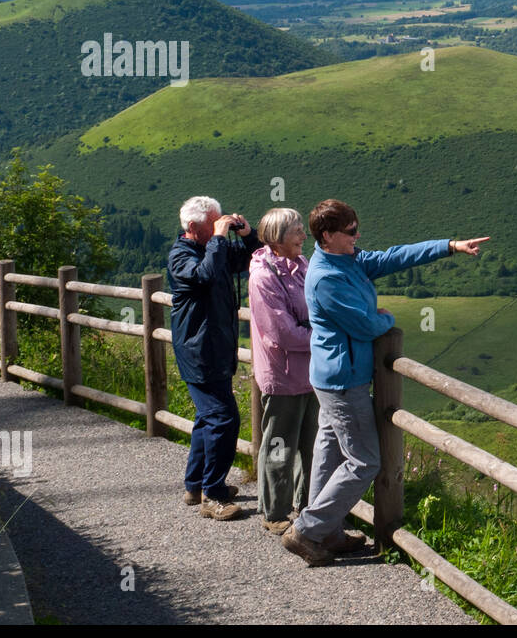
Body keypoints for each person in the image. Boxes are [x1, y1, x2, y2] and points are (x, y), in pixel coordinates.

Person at [281, 198, 489, 566]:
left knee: (329, 455)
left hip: (333, 377)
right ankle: (308, 531)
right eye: (351, 232)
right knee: (364, 461)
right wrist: (385, 319)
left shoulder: (346, 260)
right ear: (327, 235)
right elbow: (363, 325)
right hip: (345, 380)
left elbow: (394, 257)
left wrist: (449, 247)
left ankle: (325, 531)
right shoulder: (327, 277)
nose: (358, 236)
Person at [167, 195, 262, 521]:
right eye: (214, 222)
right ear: (193, 227)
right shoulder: (180, 257)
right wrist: (220, 238)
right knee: (224, 418)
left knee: (208, 418)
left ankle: (195, 486)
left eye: (221, 220)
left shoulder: (213, 249)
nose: (220, 226)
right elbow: (204, 275)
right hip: (199, 352)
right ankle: (214, 494)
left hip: (215, 349)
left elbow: (254, 256)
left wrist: (247, 233)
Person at [247, 207, 316, 535]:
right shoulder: (263, 276)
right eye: (297, 231)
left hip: (310, 371)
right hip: (283, 373)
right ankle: (275, 512)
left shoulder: (300, 265)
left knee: (311, 443)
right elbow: (282, 334)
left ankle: (306, 508)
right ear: (276, 238)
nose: (304, 235)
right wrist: (325, 339)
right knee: (280, 445)